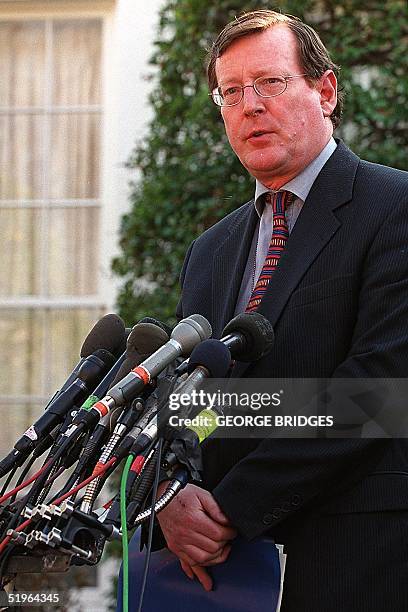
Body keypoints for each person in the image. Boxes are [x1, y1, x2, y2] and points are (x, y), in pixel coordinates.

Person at [156, 10, 408, 612]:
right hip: (220, 580)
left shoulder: (394, 207)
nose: (249, 105)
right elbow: (193, 401)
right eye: (231, 92)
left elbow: (378, 392)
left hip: (354, 560)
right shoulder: (211, 249)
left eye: (269, 83)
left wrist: (232, 506)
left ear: (325, 91)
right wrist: (172, 495)